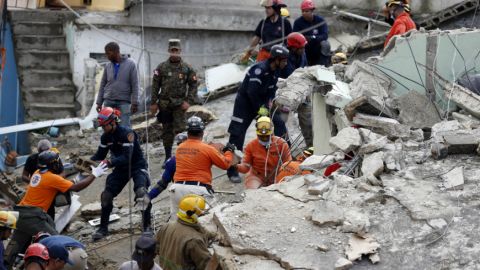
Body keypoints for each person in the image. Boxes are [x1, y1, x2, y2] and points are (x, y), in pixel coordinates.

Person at [4, 151, 108, 268]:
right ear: (53, 164)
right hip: (33, 216)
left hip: (21, 214)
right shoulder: (51, 178)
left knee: (13, 248)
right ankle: (79, 266)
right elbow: (76, 188)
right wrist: (94, 174)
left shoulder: (37, 173)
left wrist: (78, 177)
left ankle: (4, 265)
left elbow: (60, 182)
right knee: (57, 244)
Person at [227, 44, 290, 183]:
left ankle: (286, 159)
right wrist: (261, 112)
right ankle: (232, 170)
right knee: (237, 135)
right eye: (284, 60)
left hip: (260, 103)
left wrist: (269, 108)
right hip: (245, 104)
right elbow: (251, 93)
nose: (286, 63)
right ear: (276, 59)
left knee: (278, 123)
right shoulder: (259, 70)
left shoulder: (276, 71)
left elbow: (270, 92)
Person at [91, 107, 152, 241]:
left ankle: (147, 227)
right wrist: (86, 163)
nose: (103, 128)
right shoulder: (105, 137)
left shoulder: (127, 134)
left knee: (141, 193)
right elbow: (99, 155)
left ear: (113, 122)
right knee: (106, 195)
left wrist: (110, 162)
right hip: (120, 168)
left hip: (136, 165)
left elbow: (127, 157)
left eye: (104, 125)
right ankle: (103, 228)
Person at [170, 116, 234, 215]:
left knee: (177, 223)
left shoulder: (179, 148)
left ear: (188, 132)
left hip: (176, 189)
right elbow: (226, 165)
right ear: (202, 132)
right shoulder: (207, 149)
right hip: (197, 190)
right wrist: (228, 152)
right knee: (211, 219)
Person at [150, 39, 198, 167]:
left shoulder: (187, 68)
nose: (174, 53)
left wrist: (189, 101)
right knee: (166, 132)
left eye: (177, 50)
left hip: (179, 105)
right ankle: (167, 158)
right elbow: (155, 85)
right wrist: (153, 103)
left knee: (181, 132)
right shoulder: (161, 67)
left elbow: (193, 85)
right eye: (172, 50)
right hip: (165, 105)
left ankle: (184, 158)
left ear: (180, 51)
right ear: (169, 51)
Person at [156, 195, 214, 270]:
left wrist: (213, 235)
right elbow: (206, 265)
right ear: (192, 215)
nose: (202, 214)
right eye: (201, 213)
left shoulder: (166, 227)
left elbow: (157, 249)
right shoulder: (194, 240)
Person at [233, 117, 291, 189]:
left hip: (277, 176)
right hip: (257, 176)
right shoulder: (251, 146)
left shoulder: (281, 144)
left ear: (272, 133)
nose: (264, 139)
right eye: (261, 136)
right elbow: (245, 168)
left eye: (266, 136)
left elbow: (289, 164)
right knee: (253, 191)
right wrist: (235, 165)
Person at [96, 42, 139, 128]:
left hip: (123, 102)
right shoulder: (108, 66)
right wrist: (99, 102)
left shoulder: (131, 64)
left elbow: (135, 84)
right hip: (108, 101)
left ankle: (124, 142)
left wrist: (135, 102)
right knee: (108, 128)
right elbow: (103, 84)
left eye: (108, 53)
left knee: (124, 128)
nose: (107, 56)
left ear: (116, 51)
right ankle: (111, 142)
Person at [281, 32, 313, 147]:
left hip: (301, 91)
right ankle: (284, 147)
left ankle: (310, 146)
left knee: (308, 121)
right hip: (286, 94)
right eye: (301, 48)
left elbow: (305, 69)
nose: (303, 49)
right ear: (293, 48)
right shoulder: (283, 57)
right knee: (282, 121)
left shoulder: (302, 54)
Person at [148, 133, 187, 201]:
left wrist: (148, 197)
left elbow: (162, 183)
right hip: (199, 190)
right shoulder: (201, 155)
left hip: (180, 191)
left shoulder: (172, 161)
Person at [293, 0, 330, 66]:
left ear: (312, 11)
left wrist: (313, 37)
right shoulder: (298, 22)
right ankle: (301, 66)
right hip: (305, 48)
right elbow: (294, 37)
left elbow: (325, 35)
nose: (304, 13)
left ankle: (324, 65)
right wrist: (304, 39)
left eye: (306, 11)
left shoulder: (320, 20)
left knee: (325, 44)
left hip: (317, 47)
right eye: (303, 11)